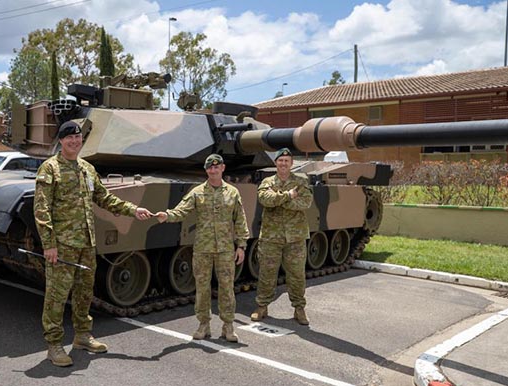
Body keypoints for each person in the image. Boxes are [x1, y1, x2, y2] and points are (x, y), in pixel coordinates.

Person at [34, 121, 153, 367]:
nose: (75, 142)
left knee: (84, 292)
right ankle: (54, 345)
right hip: (63, 244)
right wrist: (49, 244)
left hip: (87, 244)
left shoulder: (87, 168)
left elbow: (104, 198)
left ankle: (82, 336)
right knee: (57, 296)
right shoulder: (50, 169)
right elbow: (41, 209)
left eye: (78, 138)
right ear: (61, 140)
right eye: (70, 138)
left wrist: (133, 209)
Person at [156, 154, 249, 342]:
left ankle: (228, 326)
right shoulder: (197, 192)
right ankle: (203, 324)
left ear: (222, 168)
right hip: (203, 249)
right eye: (209, 168)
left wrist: (241, 246)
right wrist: (167, 215)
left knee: (226, 288)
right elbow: (182, 210)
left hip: (224, 249)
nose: (213, 170)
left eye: (216, 167)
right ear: (206, 170)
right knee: (202, 288)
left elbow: (240, 220)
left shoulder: (232, 192)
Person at [250, 148, 313, 325]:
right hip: (271, 237)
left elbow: (306, 202)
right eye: (280, 160)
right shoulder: (267, 181)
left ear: (291, 163)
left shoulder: (301, 181)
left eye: (286, 160)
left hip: (295, 237)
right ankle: (262, 306)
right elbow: (264, 199)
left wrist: (280, 202)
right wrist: (288, 196)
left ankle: (299, 308)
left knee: (297, 274)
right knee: (267, 273)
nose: (283, 163)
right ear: (276, 163)